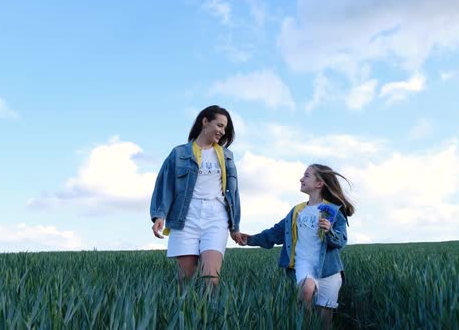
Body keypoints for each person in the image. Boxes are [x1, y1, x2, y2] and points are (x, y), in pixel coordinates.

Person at [239, 164, 354, 329]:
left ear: (319, 183)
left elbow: (341, 241)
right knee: (307, 289)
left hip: (329, 270)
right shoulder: (297, 211)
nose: (301, 178)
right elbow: (276, 233)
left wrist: (329, 231)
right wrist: (250, 239)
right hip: (303, 264)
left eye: (307, 175)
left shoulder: (331, 210)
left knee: (324, 322)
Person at [150, 105, 243, 287]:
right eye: (220, 125)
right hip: (185, 218)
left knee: (211, 279)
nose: (222, 132)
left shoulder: (227, 156)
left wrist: (235, 227)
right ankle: (186, 314)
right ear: (205, 122)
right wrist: (159, 215)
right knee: (185, 280)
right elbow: (165, 185)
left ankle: (211, 314)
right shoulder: (179, 154)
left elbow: (234, 193)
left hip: (216, 217)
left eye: (225, 128)